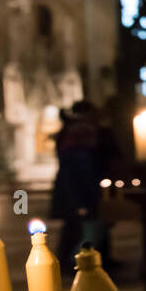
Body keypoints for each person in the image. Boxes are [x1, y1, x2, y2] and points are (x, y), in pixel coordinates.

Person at [50, 101, 103, 272]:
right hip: (78, 191)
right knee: (83, 229)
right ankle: (75, 264)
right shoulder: (80, 136)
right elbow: (80, 170)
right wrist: (84, 199)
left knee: (76, 227)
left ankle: (72, 262)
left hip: (73, 190)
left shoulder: (72, 132)